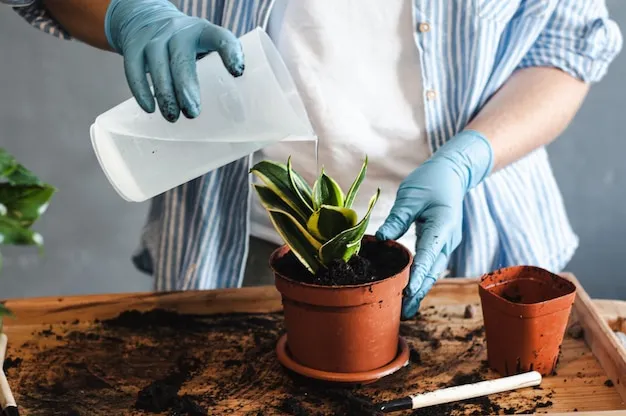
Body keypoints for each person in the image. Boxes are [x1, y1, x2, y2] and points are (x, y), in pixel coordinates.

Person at [6, 0, 622, 319]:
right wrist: (133, 14)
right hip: (240, 242)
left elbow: (567, 44)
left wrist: (469, 158)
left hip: (473, 233)